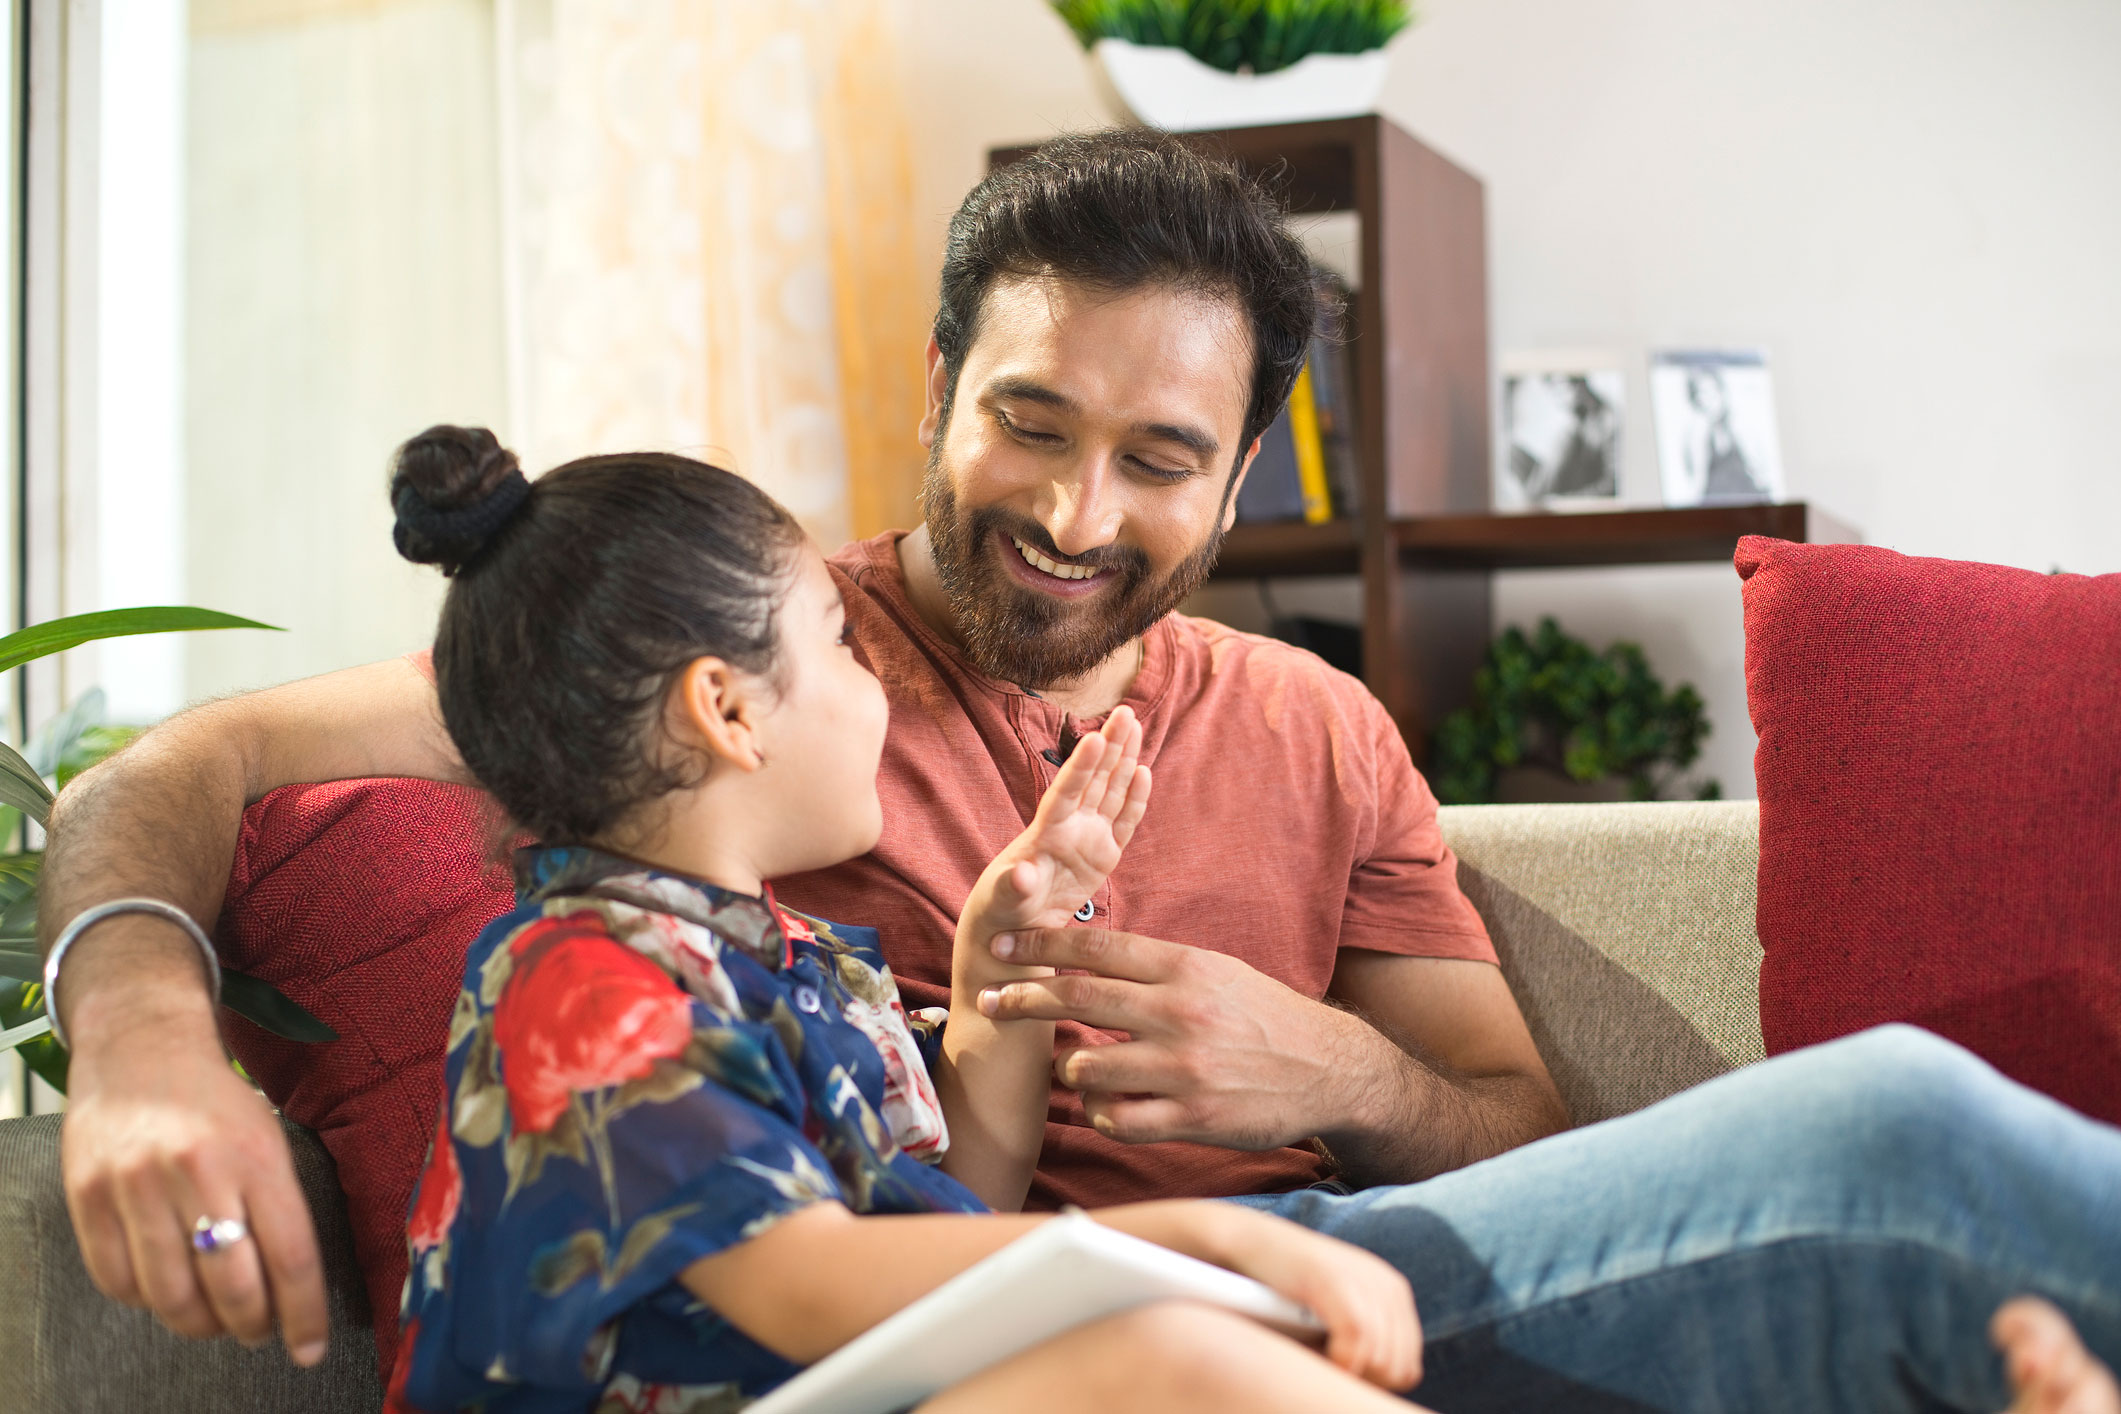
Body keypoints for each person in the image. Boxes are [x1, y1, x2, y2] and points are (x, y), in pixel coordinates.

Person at [37, 130, 2120, 1411]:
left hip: (1296, 1306)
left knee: (1896, 1158)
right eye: (1028, 419)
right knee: (1901, 1143)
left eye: (1153, 460)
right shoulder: (699, 659)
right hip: (1030, 1339)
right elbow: (199, 756)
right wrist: (139, 1031)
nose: (1069, 508)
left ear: (1237, 481)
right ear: (937, 382)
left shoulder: (1307, 722)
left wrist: (1331, 1077)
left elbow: (1509, 1114)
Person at [379, 427, 1424, 1411]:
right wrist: (1209, 1242)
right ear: (727, 710)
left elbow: (967, 1190)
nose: (873, 673)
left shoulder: (787, 958)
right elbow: (806, 1277)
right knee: (1170, 1352)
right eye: (838, 640)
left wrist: (996, 968)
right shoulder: (575, 983)